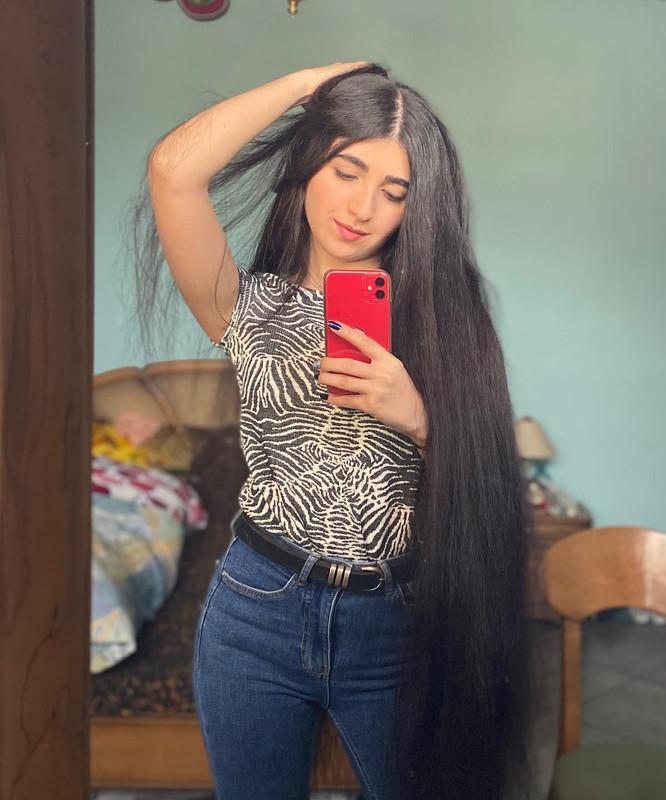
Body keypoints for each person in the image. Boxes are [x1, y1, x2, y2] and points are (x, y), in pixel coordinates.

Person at [131, 61, 536, 800]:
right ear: (310, 162)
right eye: (347, 170)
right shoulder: (244, 305)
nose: (362, 207)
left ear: (416, 207)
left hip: (398, 620)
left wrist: (418, 419)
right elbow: (173, 171)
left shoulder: (444, 320)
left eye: (394, 191)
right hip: (255, 609)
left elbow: (489, 491)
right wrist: (310, 84)